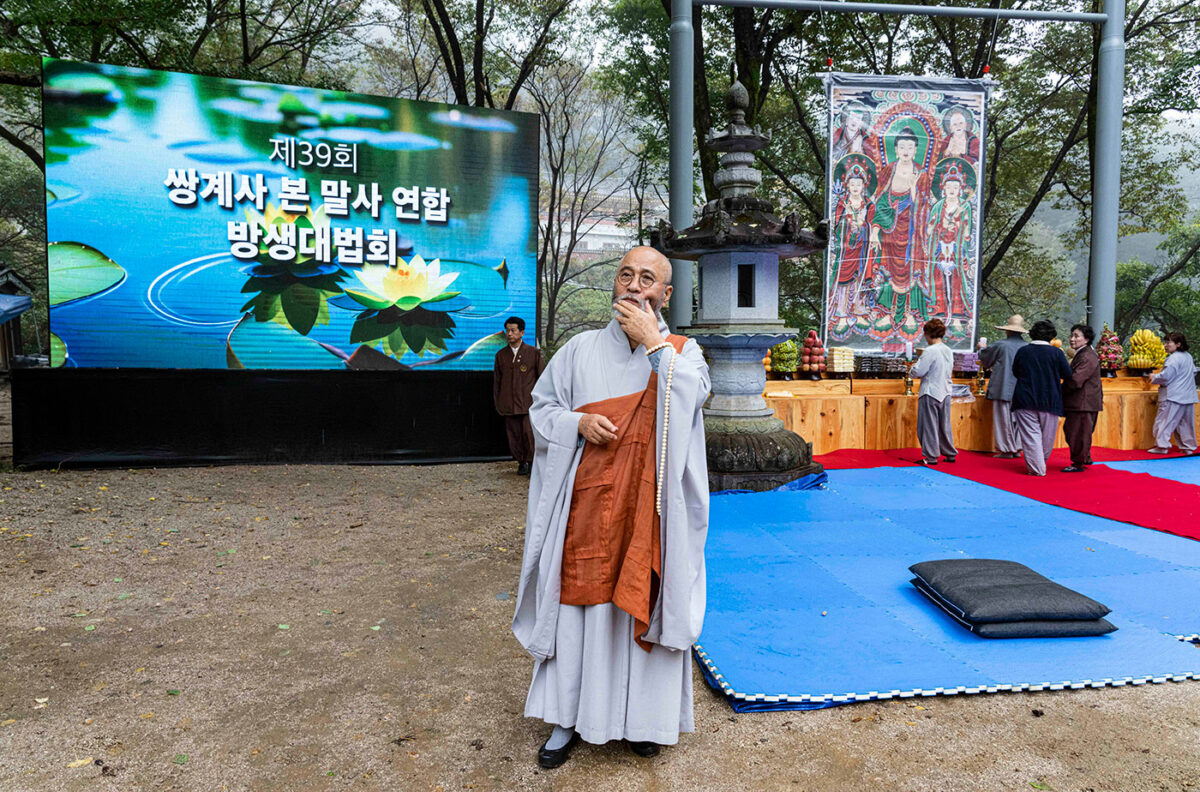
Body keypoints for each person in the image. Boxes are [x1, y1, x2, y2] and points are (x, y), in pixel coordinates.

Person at [512, 246, 711, 769]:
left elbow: (694, 399)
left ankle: (641, 723)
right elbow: (542, 407)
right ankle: (567, 719)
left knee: (639, 609)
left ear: (665, 295)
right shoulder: (578, 350)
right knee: (582, 611)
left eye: (648, 278)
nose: (634, 285)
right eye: (626, 275)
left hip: (649, 511)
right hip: (589, 509)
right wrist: (576, 424)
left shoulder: (683, 353)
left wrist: (655, 346)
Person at [870, 127, 930, 340]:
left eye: (910, 146)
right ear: (895, 149)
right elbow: (879, 202)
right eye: (902, 146)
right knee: (889, 270)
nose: (906, 150)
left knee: (910, 269)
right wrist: (875, 231)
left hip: (912, 233)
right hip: (889, 232)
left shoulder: (921, 174)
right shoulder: (888, 172)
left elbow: (924, 207)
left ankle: (909, 313)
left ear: (916, 150)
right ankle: (887, 312)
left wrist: (913, 190)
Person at [1010, 320, 1073, 476]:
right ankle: (1039, 465)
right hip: (1050, 400)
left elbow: (1016, 372)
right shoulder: (1057, 353)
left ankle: (1037, 467)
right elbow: (1067, 374)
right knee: (1047, 438)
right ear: (1052, 336)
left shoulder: (1023, 351)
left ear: (1031, 334)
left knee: (1031, 436)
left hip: (1025, 398)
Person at [923, 158, 975, 339]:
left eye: (955, 186)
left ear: (960, 188)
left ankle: (956, 319)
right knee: (938, 281)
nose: (952, 190)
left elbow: (967, 230)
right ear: (943, 188)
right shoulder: (938, 206)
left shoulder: (965, 206)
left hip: (956, 250)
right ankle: (939, 315)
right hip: (940, 249)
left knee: (957, 283)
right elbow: (930, 227)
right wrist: (938, 228)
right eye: (949, 186)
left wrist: (958, 226)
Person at [828, 155, 877, 339]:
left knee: (860, 280)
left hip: (862, 250)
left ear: (864, 186)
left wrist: (863, 226)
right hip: (847, 249)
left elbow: (873, 226)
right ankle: (841, 314)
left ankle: (859, 311)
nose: (855, 187)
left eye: (859, 184)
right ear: (847, 186)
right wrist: (848, 222)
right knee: (843, 282)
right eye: (852, 184)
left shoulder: (869, 205)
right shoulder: (843, 203)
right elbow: (836, 227)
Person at [493, 316, 546, 475]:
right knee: (513, 435)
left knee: (528, 434)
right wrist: (499, 402)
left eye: (513, 330)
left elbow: (542, 378)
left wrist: (541, 402)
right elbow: (497, 381)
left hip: (528, 403)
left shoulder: (533, 353)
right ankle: (521, 462)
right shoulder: (501, 355)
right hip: (508, 403)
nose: (509, 334)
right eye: (507, 330)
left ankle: (531, 463)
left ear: (522, 332)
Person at [978, 315, 1029, 459]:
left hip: (1003, 387)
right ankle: (1017, 447)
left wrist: (981, 349)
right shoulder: (1027, 347)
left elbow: (985, 359)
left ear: (1007, 331)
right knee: (1019, 420)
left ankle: (1006, 449)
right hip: (1022, 389)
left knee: (1003, 419)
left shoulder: (1001, 345)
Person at [910, 318, 956, 465]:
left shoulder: (929, 351)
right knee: (944, 424)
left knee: (928, 425)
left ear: (927, 334)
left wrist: (911, 369)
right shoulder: (948, 350)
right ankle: (950, 453)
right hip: (946, 390)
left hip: (930, 391)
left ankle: (930, 456)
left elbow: (919, 371)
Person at [1147, 332, 1198, 454]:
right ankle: (1188, 447)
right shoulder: (1188, 356)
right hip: (1188, 395)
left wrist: (1154, 376)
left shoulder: (1173, 359)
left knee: (1164, 421)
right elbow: (1194, 372)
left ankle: (1162, 446)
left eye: (1168, 342)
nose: (1165, 345)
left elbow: (1166, 377)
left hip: (1173, 395)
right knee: (1185, 423)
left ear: (1178, 344)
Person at [1061, 324, 1103, 472]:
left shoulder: (1086, 356)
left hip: (1082, 402)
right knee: (1080, 431)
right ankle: (1084, 457)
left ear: (1086, 339)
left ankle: (1078, 463)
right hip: (1084, 401)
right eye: (1072, 335)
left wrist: (1060, 390)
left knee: (1077, 432)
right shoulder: (1084, 353)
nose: (1072, 339)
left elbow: (1076, 380)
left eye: (1076, 336)